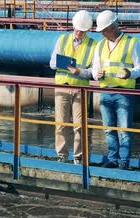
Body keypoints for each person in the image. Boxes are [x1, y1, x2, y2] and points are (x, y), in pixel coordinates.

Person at [92, 10, 140, 170]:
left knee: (124, 131)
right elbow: (95, 68)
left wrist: (130, 73)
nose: (102, 34)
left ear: (112, 27)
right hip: (106, 91)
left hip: (124, 92)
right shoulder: (100, 45)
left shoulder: (131, 42)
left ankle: (123, 162)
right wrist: (96, 74)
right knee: (109, 130)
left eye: (104, 31)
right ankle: (113, 159)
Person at [49, 10, 96, 165]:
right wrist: (67, 65)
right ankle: (62, 154)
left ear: (88, 30)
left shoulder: (93, 45)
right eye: (76, 30)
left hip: (80, 88)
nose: (78, 33)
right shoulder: (62, 40)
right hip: (62, 86)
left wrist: (79, 72)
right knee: (61, 123)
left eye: (82, 31)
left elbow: (93, 71)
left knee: (79, 125)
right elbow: (52, 63)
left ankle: (79, 156)